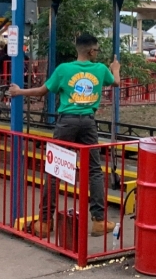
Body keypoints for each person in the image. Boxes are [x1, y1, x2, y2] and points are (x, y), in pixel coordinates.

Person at [8, 33, 120, 237]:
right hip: (88, 121)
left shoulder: (64, 69)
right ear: (92, 51)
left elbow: (43, 91)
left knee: (54, 169)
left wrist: (19, 92)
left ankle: (44, 221)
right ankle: (98, 220)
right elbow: (116, 82)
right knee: (94, 170)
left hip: (66, 121)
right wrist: (116, 69)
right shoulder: (101, 70)